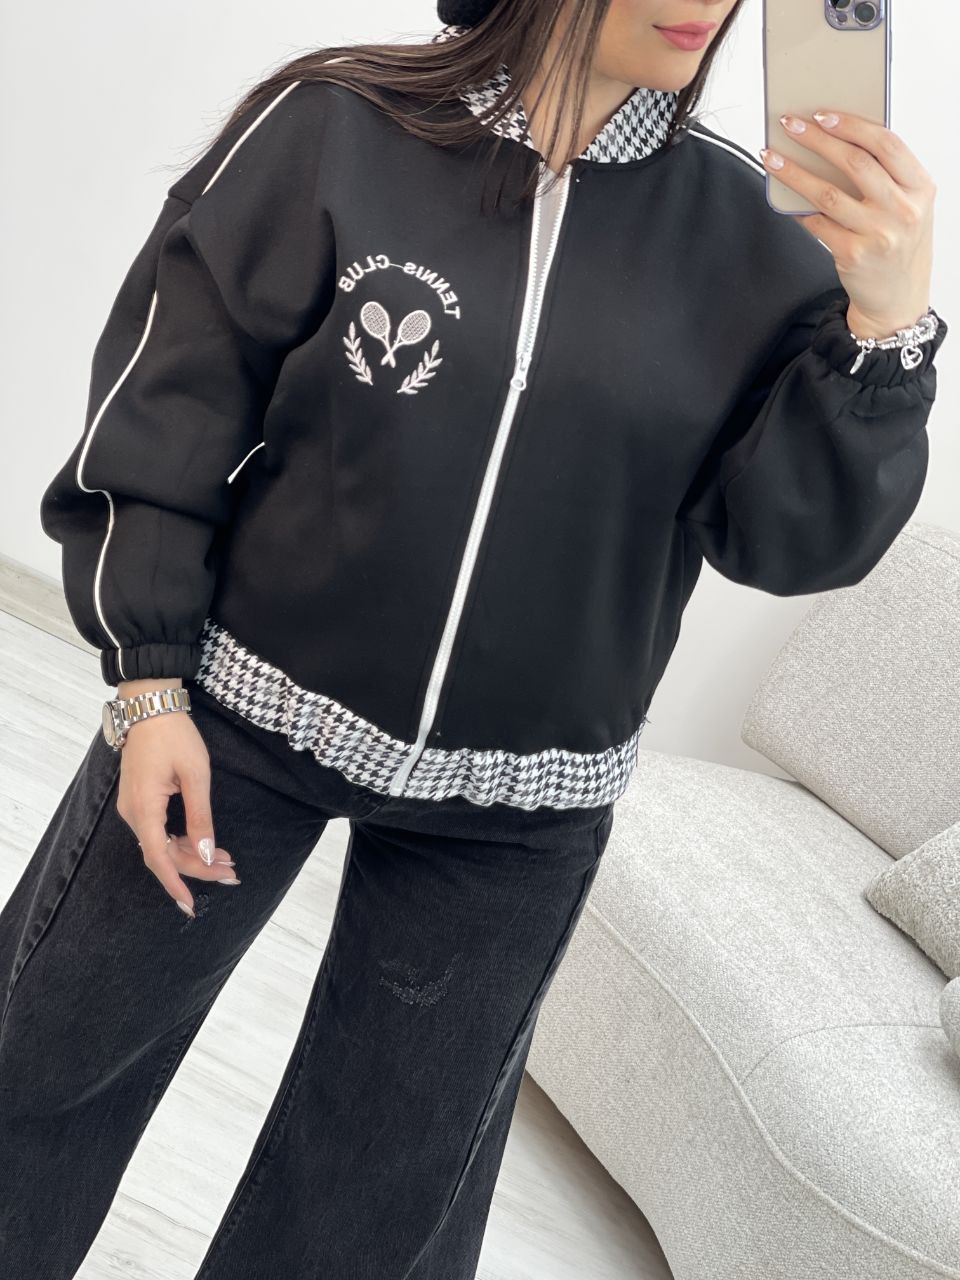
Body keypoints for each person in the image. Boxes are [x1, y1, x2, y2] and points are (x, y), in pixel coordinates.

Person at [0, 0, 947, 1276]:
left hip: (516, 818)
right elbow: (168, 411)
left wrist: (884, 334)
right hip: (233, 727)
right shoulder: (335, 126)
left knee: (367, 1217)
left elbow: (787, 546)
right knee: (41, 1065)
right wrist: (149, 685)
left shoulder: (766, 243)